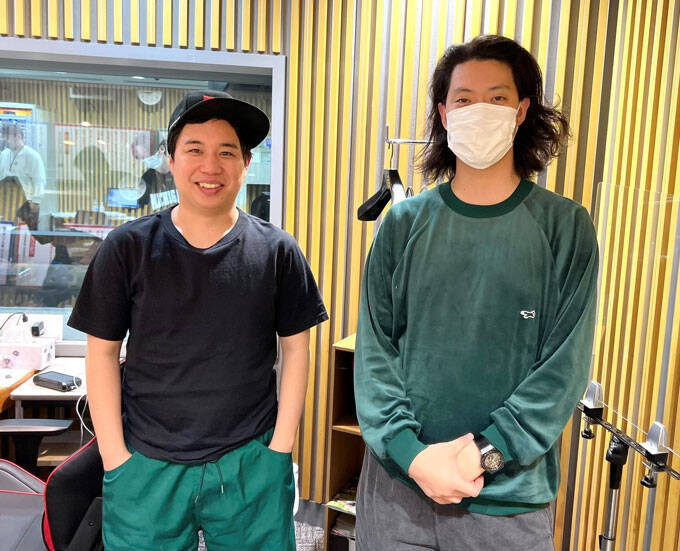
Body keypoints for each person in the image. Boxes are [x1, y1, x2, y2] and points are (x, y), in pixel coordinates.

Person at [354, 34, 599, 551]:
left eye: (497, 97)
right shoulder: (402, 224)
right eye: (463, 99)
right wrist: (413, 456)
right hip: (399, 493)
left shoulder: (564, 228)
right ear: (444, 115)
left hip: (507, 502)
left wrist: (484, 455)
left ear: (521, 111)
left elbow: (562, 372)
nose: (478, 110)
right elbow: (376, 355)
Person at [68, 90, 328, 550]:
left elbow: (296, 349)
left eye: (226, 152)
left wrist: (280, 448)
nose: (211, 166)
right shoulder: (127, 248)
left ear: (246, 163)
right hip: (145, 464)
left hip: (250, 461)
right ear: (170, 160)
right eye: (194, 149)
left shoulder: (277, 251)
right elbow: (102, 354)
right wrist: (115, 458)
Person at [0, 122, 46, 204]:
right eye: (3, 138)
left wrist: (36, 202)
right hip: (4, 202)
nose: (5, 141)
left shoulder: (32, 156)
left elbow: (38, 181)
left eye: (7, 138)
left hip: (24, 203)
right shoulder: (4, 154)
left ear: (18, 137)